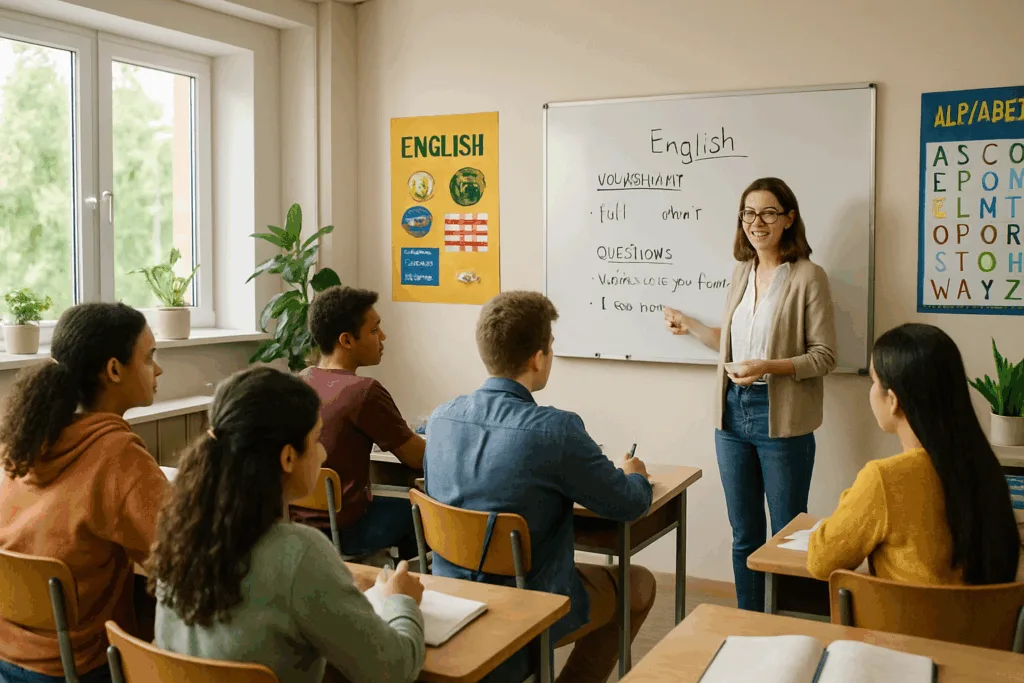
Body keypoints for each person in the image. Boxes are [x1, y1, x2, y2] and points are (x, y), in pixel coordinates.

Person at [426, 291, 656, 683]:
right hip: (531, 605)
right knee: (639, 583)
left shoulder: (440, 419)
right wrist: (635, 473)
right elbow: (628, 505)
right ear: (539, 357)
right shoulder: (556, 430)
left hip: (448, 597)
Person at [149, 367, 425, 683]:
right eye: (317, 438)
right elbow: (394, 669)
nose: (322, 453)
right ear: (288, 458)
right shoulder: (299, 553)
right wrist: (400, 600)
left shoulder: (179, 535)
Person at [663, 177, 837, 612]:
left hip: (782, 416)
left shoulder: (808, 277)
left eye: (768, 213)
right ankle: (748, 621)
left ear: (788, 219)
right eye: (748, 213)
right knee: (743, 535)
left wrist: (767, 368)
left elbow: (824, 356)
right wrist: (690, 325)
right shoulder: (741, 272)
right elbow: (733, 342)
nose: (756, 222)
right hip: (732, 415)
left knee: (785, 534)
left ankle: (785, 626)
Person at [0, 303, 169, 683]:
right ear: (114, 370)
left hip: (7, 655)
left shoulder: (28, 442)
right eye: (149, 357)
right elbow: (178, 555)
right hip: (79, 667)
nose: (157, 369)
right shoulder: (118, 456)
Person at [807, 323, 1020, 585]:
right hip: (985, 625)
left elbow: (820, 561)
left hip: (898, 627)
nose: (871, 392)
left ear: (894, 400)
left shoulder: (884, 479)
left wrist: (851, 498)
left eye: (874, 382)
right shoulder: (986, 467)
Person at [291, 286, 424, 559]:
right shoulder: (364, 391)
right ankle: (411, 587)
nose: (383, 337)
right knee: (423, 511)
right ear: (347, 340)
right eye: (375, 330)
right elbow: (418, 458)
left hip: (299, 528)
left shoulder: (301, 380)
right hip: (345, 531)